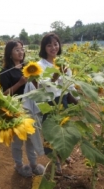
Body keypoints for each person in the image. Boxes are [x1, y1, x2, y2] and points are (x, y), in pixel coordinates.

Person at [0, 40, 45, 177]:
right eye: (17, 50)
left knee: (31, 137)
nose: (21, 52)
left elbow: (36, 88)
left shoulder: (27, 67)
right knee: (18, 140)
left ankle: (33, 164)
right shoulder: (6, 72)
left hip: (31, 107)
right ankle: (18, 165)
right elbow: (5, 94)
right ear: (10, 53)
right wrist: (19, 83)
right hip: (16, 109)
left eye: (22, 49)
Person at [38, 33, 74, 174]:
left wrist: (76, 96)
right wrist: (55, 77)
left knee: (62, 129)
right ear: (44, 48)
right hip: (49, 102)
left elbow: (69, 84)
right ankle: (55, 160)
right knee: (50, 132)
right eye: (49, 45)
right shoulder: (40, 65)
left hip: (63, 100)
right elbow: (43, 86)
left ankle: (63, 153)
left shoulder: (63, 63)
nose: (53, 47)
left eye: (55, 44)